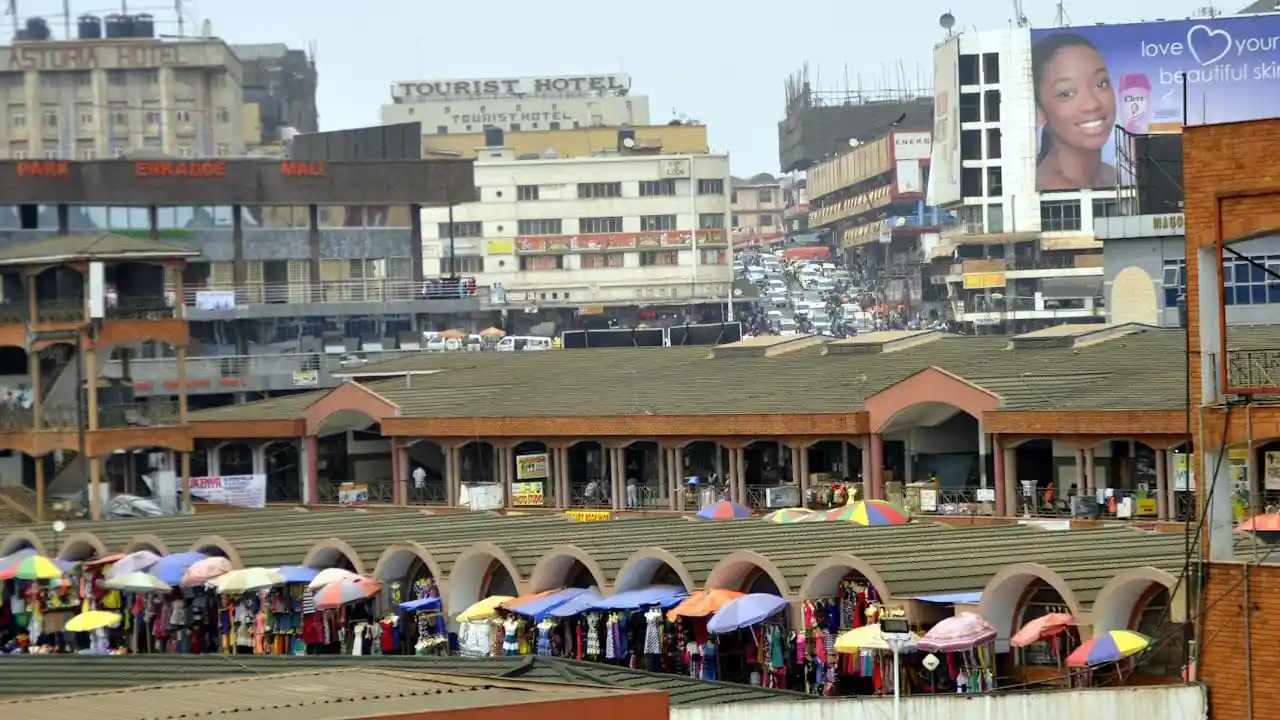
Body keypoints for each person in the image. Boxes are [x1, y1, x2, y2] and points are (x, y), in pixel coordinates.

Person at [1032, 33, 1117, 191]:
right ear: (1039, 111)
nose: (1092, 104)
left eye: (1101, 84)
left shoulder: (1112, 176)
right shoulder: (1047, 189)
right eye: (1066, 94)